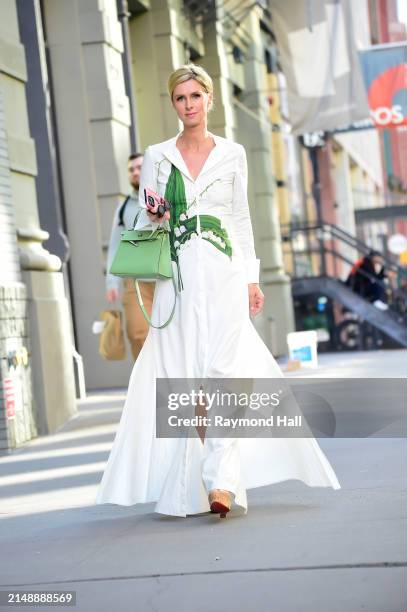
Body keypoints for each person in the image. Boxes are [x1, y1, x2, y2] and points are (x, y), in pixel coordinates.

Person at [95, 64, 341, 518]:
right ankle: (201, 477)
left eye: (195, 96)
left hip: (225, 274)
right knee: (189, 379)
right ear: (174, 105)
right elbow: (139, 223)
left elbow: (241, 219)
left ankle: (221, 480)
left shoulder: (233, 154)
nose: (188, 105)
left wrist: (251, 276)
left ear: (210, 100)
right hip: (179, 279)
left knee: (227, 372)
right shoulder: (157, 156)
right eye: (180, 98)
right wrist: (154, 214)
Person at [106, 153, 155, 360]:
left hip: (168, 280)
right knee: (137, 334)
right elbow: (116, 244)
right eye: (131, 169)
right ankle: (148, 387)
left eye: (139, 167)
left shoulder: (166, 198)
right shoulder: (123, 208)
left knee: (173, 335)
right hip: (135, 282)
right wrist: (111, 281)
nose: (135, 172)